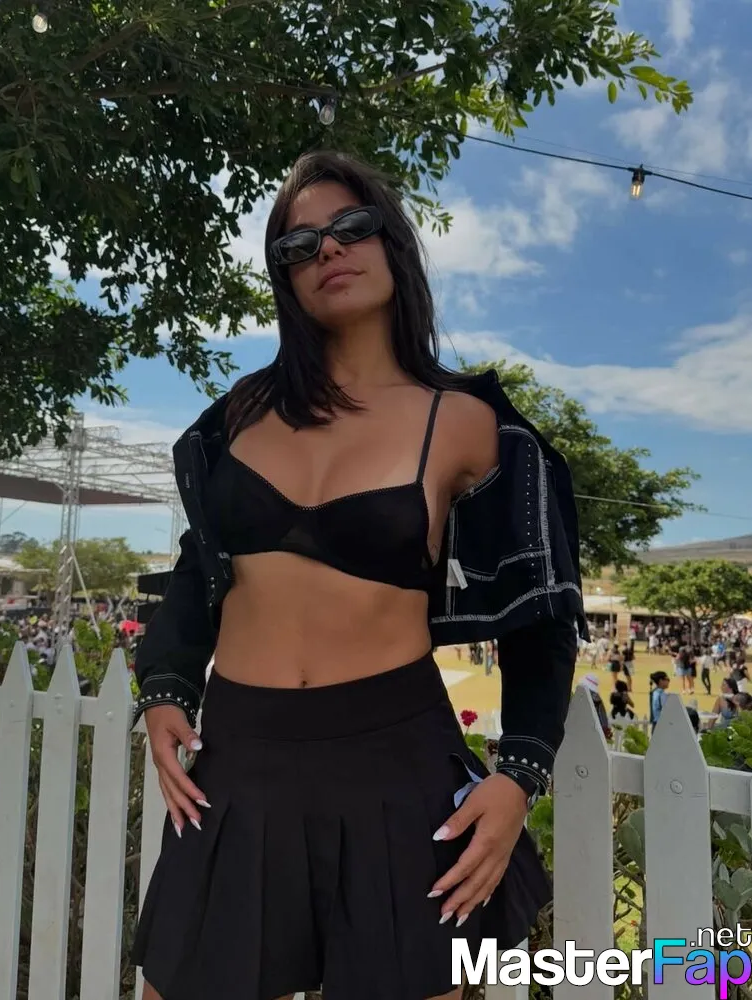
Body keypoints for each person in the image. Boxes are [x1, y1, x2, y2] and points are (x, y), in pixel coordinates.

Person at [129, 150, 585, 1000]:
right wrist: (163, 686)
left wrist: (518, 778)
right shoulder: (239, 415)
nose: (327, 250)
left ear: (392, 242)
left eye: (349, 226)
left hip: (395, 764)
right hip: (238, 760)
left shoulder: (467, 423)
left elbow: (543, 619)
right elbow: (200, 567)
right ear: (285, 278)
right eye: (298, 245)